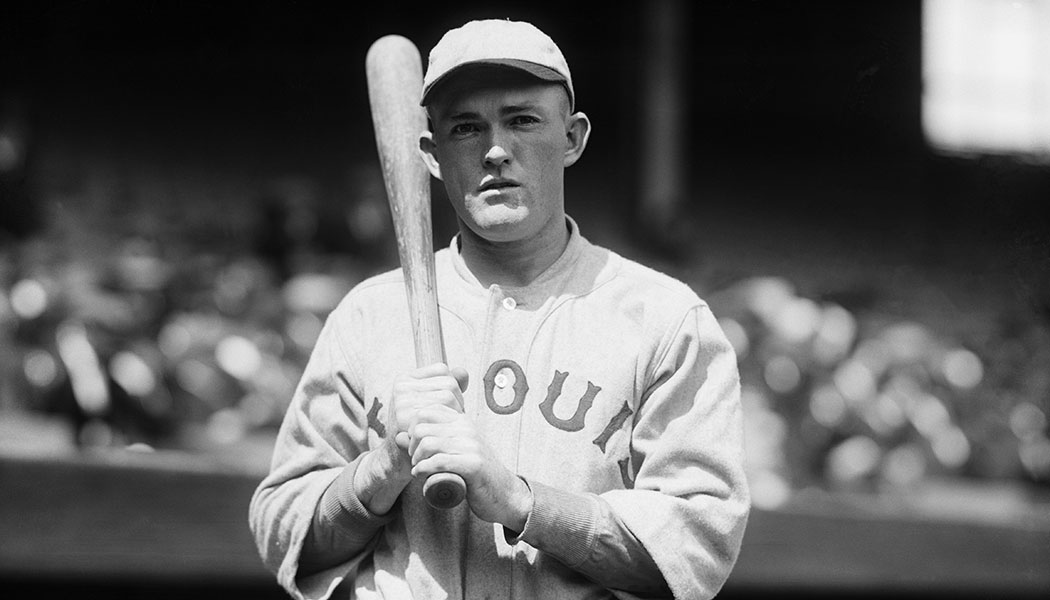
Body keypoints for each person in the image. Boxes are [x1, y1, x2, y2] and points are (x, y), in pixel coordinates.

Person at [250, 18, 749, 600]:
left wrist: (517, 500)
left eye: (522, 120)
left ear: (572, 138)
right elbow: (283, 533)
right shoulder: (368, 315)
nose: (494, 150)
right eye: (466, 128)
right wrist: (382, 468)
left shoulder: (664, 319)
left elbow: (697, 547)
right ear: (431, 155)